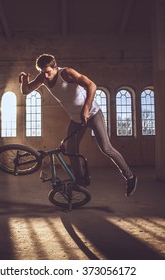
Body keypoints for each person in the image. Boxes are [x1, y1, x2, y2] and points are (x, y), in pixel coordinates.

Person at [19, 53, 137, 197]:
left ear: (55, 66)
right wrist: (24, 81)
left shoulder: (67, 73)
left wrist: (86, 109)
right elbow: (25, 91)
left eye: (48, 72)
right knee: (71, 150)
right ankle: (80, 183)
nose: (46, 76)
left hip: (93, 114)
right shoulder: (43, 77)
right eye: (42, 72)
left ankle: (130, 177)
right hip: (76, 119)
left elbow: (92, 86)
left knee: (106, 148)